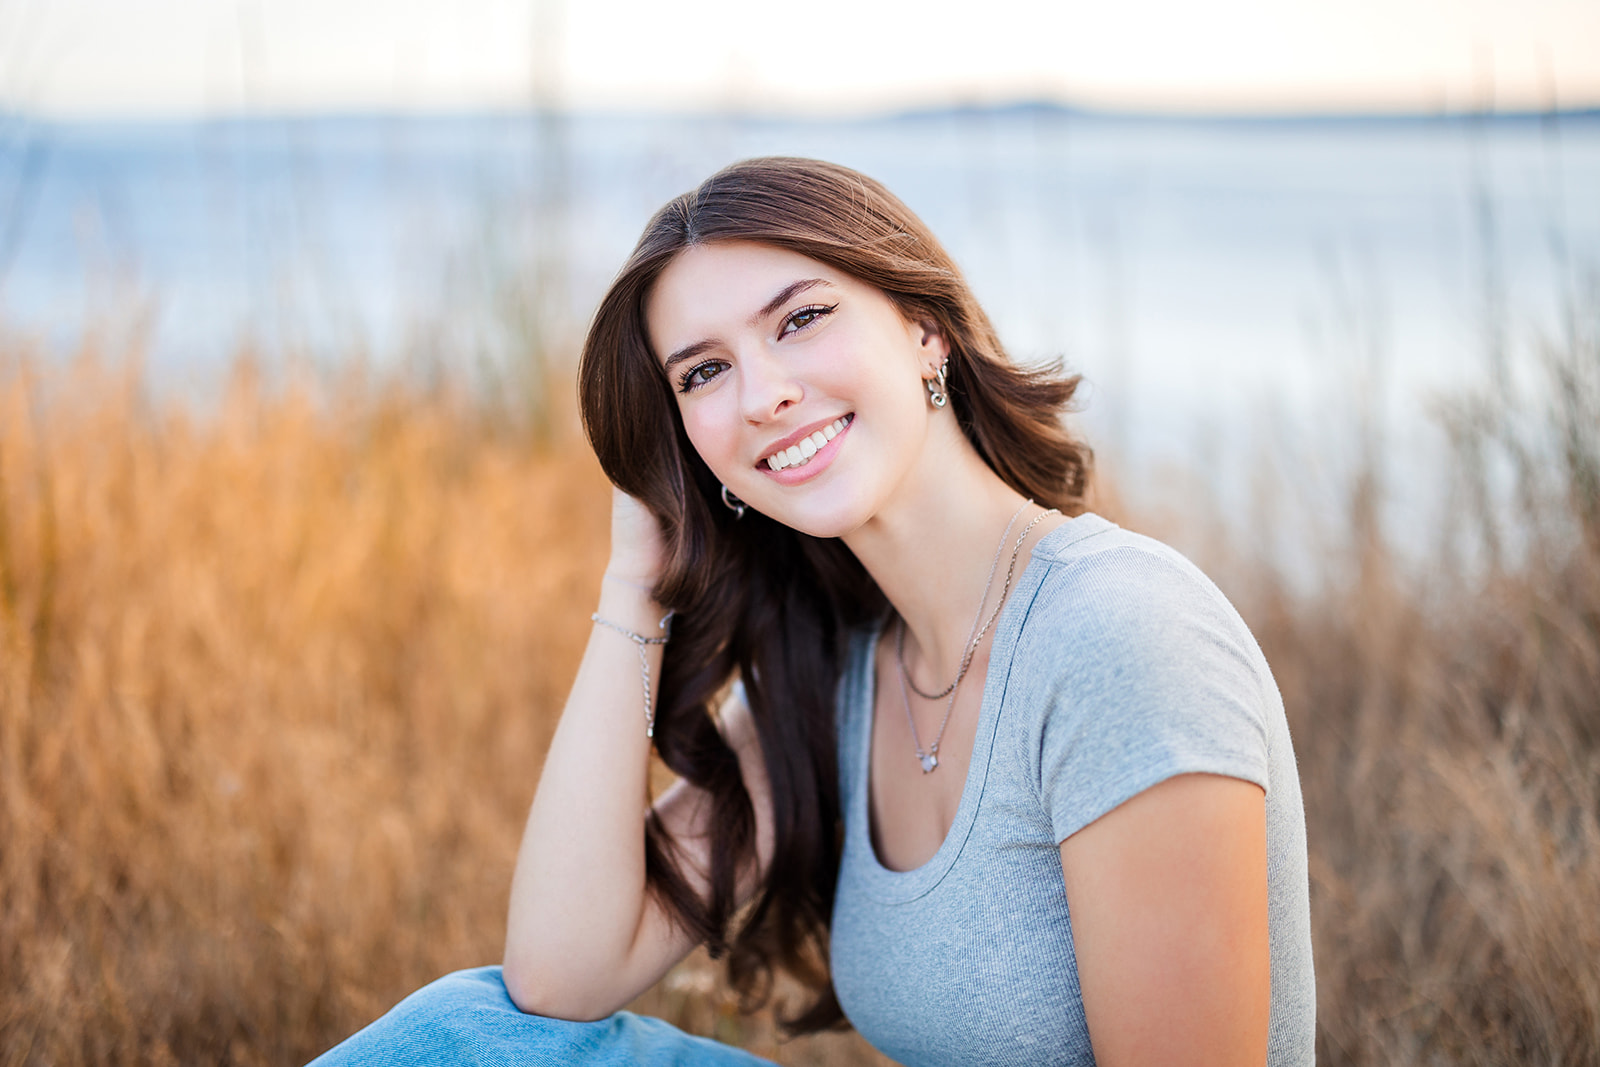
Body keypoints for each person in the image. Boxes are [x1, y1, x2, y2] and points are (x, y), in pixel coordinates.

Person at [309, 157, 1315, 1066]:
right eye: (703, 372)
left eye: (800, 319)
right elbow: (559, 977)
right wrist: (633, 582)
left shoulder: (1118, 633)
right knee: (466, 1035)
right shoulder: (842, 669)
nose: (763, 395)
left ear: (924, 329)